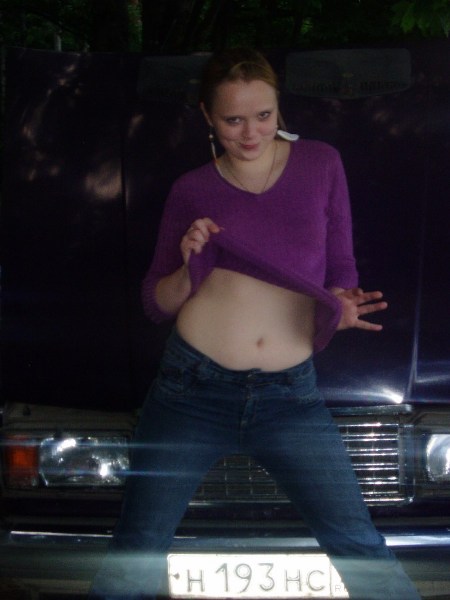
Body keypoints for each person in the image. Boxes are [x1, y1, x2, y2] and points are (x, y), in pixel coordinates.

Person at [89, 48, 421, 599]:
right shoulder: (192, 188)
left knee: (359, 545)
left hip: (290, 396)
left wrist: (340, 305)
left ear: (278, 107)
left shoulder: (321, 163)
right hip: (190, 392)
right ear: (207, 116)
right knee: (136, 551)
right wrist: (188, 261)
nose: (250, 133)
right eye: (233, 120)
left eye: (263, 115)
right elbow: (156, 302)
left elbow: (341, 264)